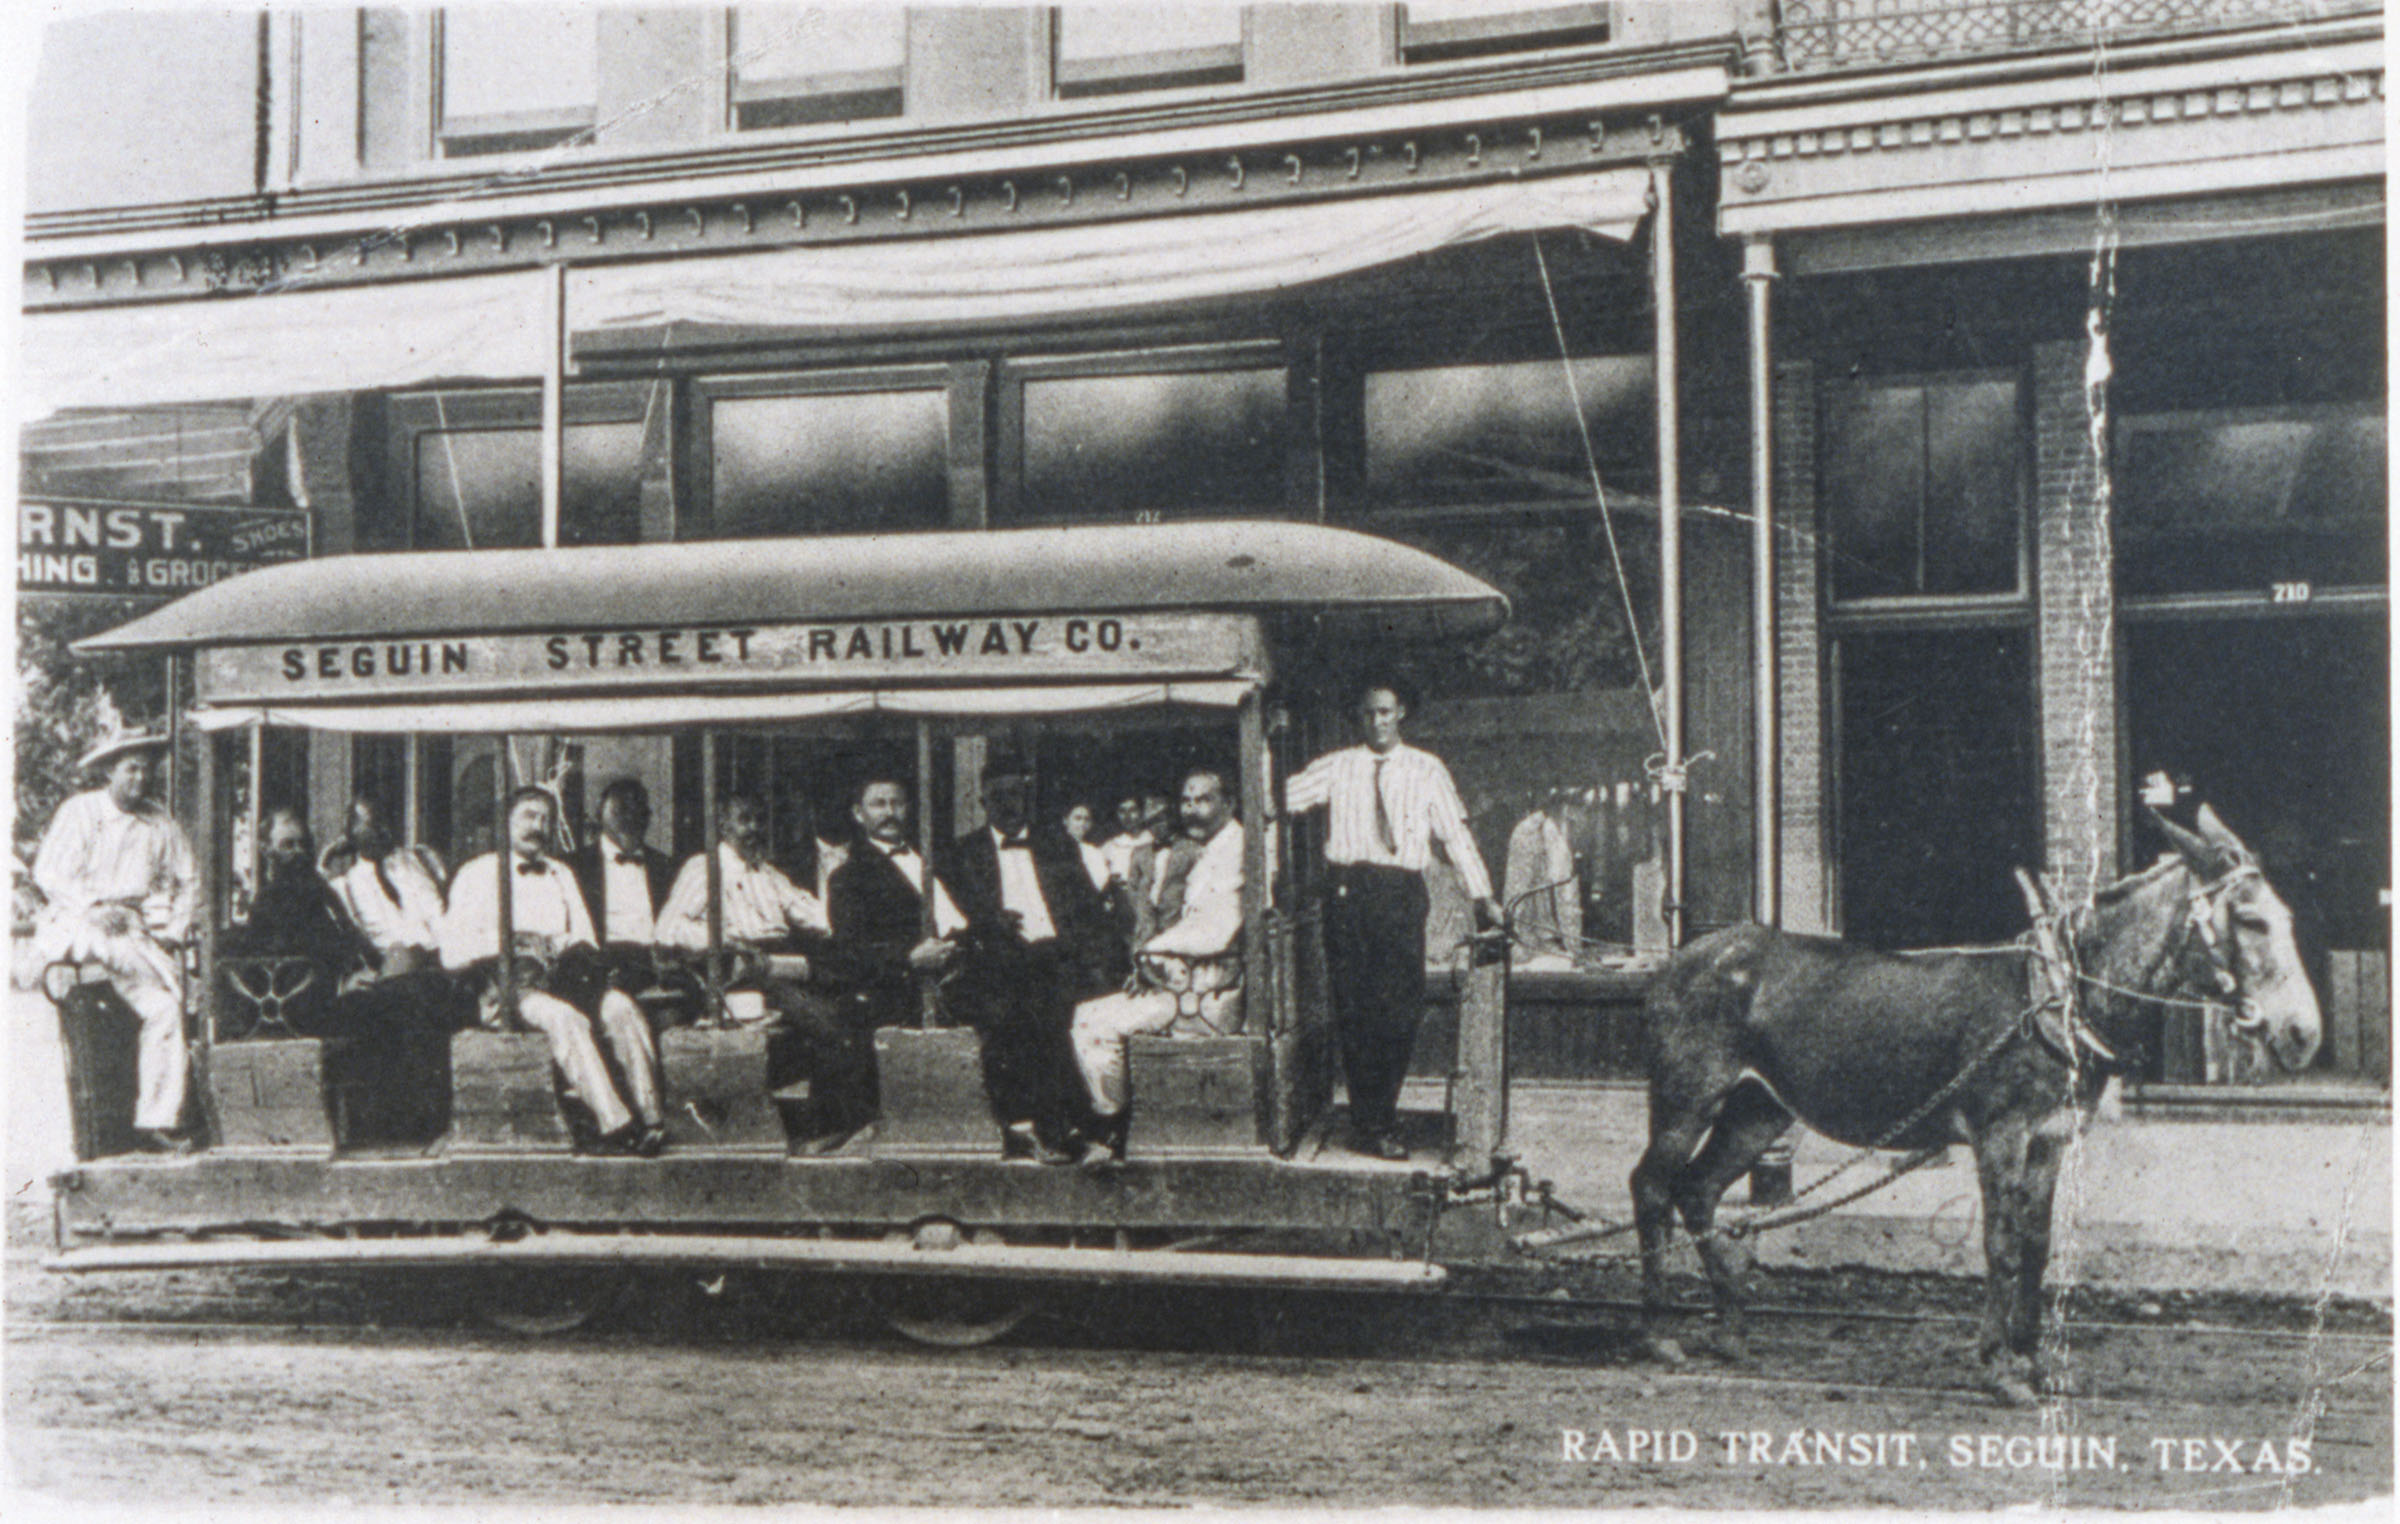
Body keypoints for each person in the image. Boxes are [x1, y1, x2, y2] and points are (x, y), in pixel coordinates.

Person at [1285, 679, 1500, 1159]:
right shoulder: (1337, 766)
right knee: (1355, 1009)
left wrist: (1483, 896)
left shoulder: (1427, 769)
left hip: (1400, 894)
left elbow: (1455, 837)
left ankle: (1379, 1111)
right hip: (1348, 894)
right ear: (1358, 718)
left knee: (1400, 1009)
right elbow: (1278, 800)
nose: (1377, 722)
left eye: (1385, 711)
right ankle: (1372, 1122)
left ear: (1400, 712)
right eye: (1367, 714)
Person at [437, 787, 667, 1155]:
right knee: (566, 1018)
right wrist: (509, 943)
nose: (538, 826)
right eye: (529, 815)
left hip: (564, 978)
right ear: (506, 819)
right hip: (509, 988)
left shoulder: (561, 872)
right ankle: (617, 1124)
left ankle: (652, 1117)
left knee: (621, 1007)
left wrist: (563, 949)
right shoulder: (476, 874)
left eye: (545, 819)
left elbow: (585, 939)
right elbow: (451, 952)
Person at [221, 808, 456, 1138]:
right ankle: (404, 1124)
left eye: (305, 844)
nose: (299, 852)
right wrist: (341, 983)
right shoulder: (272, 900)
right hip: (309, 1005)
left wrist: (380, 965)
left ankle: (411, 1119)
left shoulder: (319, 890)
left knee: (424, 985)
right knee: (409, 999)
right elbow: (285, 968)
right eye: (288, 845)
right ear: (266, 849)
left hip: (343, 992)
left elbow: (352, 939)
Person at [656, 795, 874, 1144]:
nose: (755, 828)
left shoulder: (768, 872)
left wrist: (851, 918)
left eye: (759, 820)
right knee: (825, 1018)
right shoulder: (705, 868)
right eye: (745, 820)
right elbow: (668, 928)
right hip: (741, 971)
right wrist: (725, 941)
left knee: (851, 1003)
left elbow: (813, 914)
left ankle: (840, 1120)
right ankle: (832, 1125)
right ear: (724, 827)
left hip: (780, 960)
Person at [32, 728, 199, 1153]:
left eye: (147, 769)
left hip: (130, 929)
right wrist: (92, 904)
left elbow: (189, 878)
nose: (140, 779)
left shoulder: (159, 820)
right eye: (131, 769)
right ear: (110, 771)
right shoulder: (82, 811)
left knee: (166, 1006)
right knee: (162, 980)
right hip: (80, 922)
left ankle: (157, 1119)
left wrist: (174, 930)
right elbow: (49, 872)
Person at [1068, 769, 1246, 1167]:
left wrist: (1151, 952)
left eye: (1204, 800)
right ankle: (1116, 1120)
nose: (1192, 811)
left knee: (1093, 1024)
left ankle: (1111, 1128)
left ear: (1229, 803)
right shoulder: (1217, 846)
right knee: (1090, 1010)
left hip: (1208, 997)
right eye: (1186, 800)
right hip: (1191, 984)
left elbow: (1217, 929)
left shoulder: (1237, 848)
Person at [948, 767, 1111, 1159]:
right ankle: (1059, 1129)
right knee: (1025, 1013)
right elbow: (955, 918)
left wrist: (1080, 952)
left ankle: (1064, 1127)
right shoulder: (964, 852)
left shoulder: (1058, 844)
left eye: (1015, 795)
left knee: (1048, 1006)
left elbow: (1089, 909)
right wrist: (989, 921)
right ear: (983, 803)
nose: (1008, 804)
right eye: (997, 796)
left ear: (1026, 799)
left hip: (1058, 958)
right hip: (998, 963)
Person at [826, 775, 966, 1040]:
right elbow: (850, 951)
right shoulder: (848, 877)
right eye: (878, 804)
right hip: (904, 996)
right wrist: (909, 957)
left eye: (897, 803)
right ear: (858, 813)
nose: (890, 812)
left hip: (962, 981)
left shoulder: (937, 862)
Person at [568, 778, 693, 1021]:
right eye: (620, 810)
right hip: (602, 967)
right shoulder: (574, 866)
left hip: (657, 964)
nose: (630, 818)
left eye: (640, 811)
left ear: (648, 817)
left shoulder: (666, 867)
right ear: (599, 814)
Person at [325, 796, 448, 976]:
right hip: (396, 976)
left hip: (444, 964)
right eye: (373, 824)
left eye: (386, 821)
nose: (385, 830)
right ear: (352, 832)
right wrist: (326, 859)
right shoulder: (345, 886)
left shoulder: (422, 859)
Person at [1504, 787, 1585, 968]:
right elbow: (1564, 889)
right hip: (1530, 935)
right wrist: (1574, 945)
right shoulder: (1531, 830)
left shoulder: (1549, 828)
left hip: (1541, 930)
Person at [1062, 801, 1112, 893]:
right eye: (1077, 818)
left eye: (1087, 819)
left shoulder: (1094, 852)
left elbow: (1101, 881)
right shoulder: (1058, 848)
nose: (1082, 823)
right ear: (1065, 820)